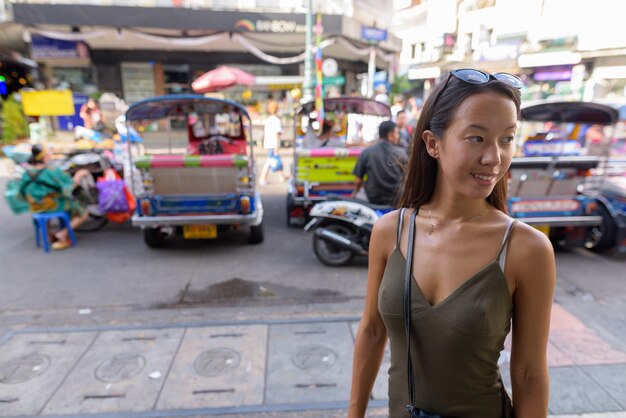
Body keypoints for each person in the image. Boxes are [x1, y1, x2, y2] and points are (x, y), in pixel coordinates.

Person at [348, 69, 555, 417]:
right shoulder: (389, 232)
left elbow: (529, 372)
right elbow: (371, 331)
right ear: (433, 143)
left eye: (507, 139)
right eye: (476, 138)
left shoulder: (526, 248)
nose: (494, 158)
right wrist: (353, 412)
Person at [20, 144, 91, 250]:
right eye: (49, 153)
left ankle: (48, 235)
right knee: (83, 213)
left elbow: (22, 191)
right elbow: (69, 186)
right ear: (44, 157)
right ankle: (63, 234)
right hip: (53, 205)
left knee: (44, 205)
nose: (51, 154)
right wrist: (79, 174)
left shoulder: (26, 172)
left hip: (35, 206)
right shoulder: (52, 171)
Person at [351, 120, 406, 206]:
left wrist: (353, 194)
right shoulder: (401, 153)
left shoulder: (367, 152)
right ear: (390, 135)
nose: (398, 136)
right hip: (395, 200)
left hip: (372, 200)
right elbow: (407, 179)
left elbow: (358, 181)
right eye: (397, 133)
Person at [259, 101, 285, 185]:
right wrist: (277, 145)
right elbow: (277, 134)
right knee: (270, 161)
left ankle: (282, 176)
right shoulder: (276, 120)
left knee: (273, 159)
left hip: (268, 143)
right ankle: (262, 178)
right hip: (273, 143)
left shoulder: (268, 120)